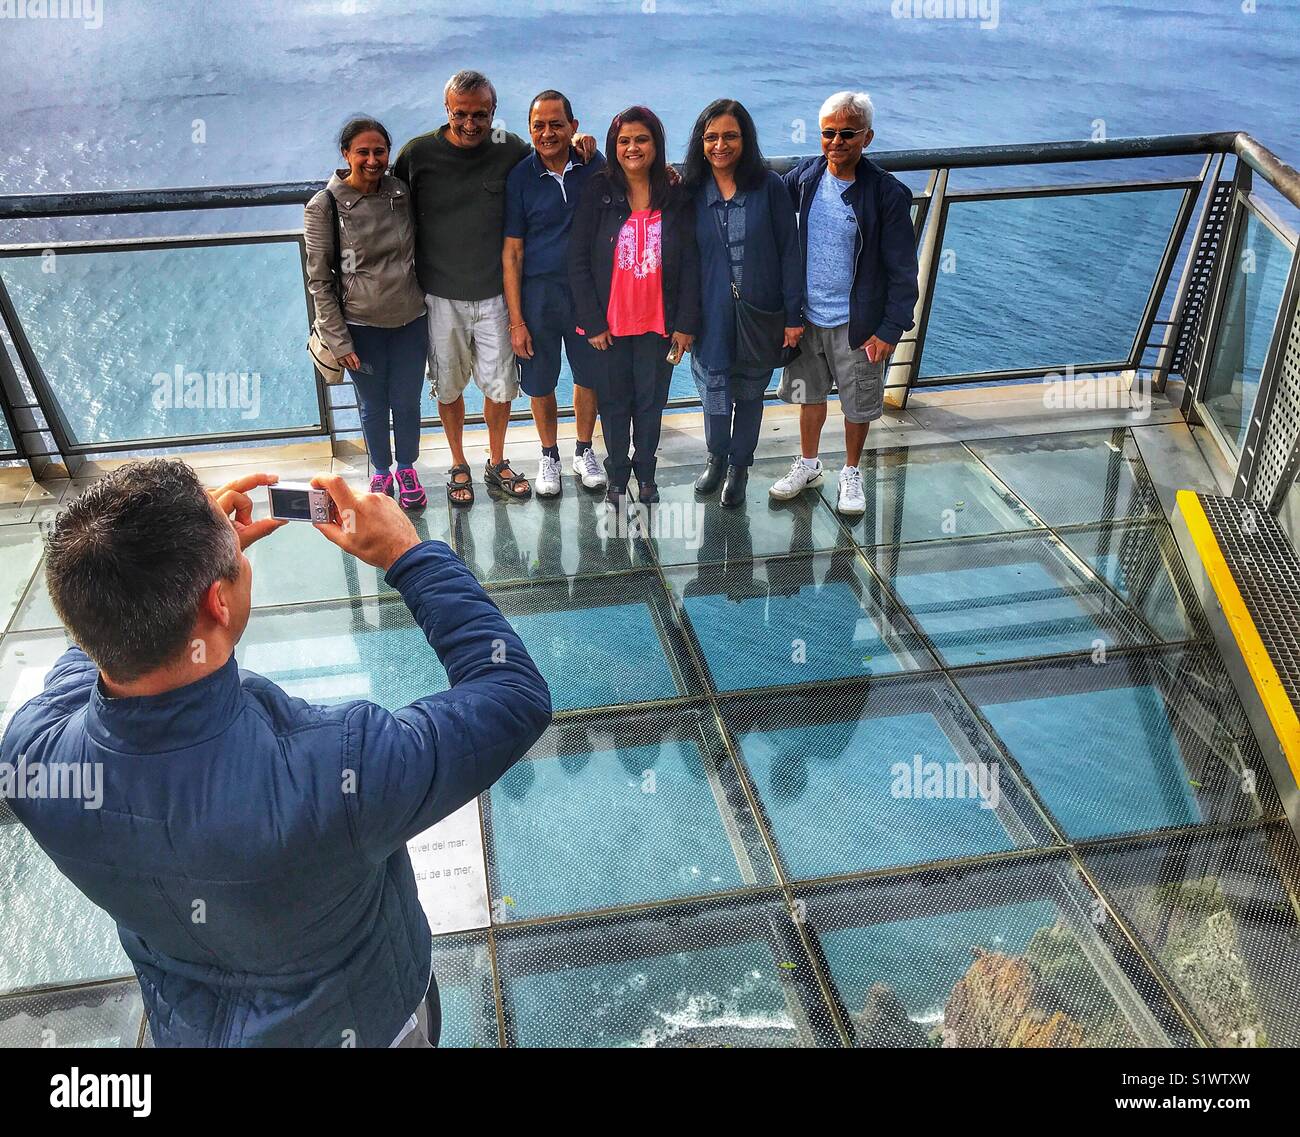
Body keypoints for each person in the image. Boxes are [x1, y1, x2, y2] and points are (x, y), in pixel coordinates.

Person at [1, 461, 551, 1047]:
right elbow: (511, 695)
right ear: (217, 603)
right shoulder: (339, 768)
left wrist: (157, 567)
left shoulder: (33, 757)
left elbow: (102, 636)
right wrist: (407, 554)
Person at [395, 71, 595, 507]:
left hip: (495, 295)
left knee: (500, 387)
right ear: (446, 110)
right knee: (448, 387)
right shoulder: (418, 155)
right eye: (460, 114)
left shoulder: (511, 150)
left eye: (480, 114)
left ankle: (497, 460)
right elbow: (386, 201)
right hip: (439, 294)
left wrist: (581, 145)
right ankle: (457, 464)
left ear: (493, 113)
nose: (470, 123)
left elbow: (550, 150)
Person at [768, 91, 920, 516]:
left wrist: (889, 330)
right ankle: (810, 464)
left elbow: (904, 272)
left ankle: (851, 472)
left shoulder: (887, 195)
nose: (837, 141)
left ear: (867, 137)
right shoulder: (806, 177)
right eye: (829, 133)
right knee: (809, 395)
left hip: (859, 324)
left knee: (859, 405)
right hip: (807, 318)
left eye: (847, 133)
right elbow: (763, 196)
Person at [569, 106, 700, 506]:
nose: (632, 147)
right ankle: (616, 476)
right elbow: (576, 259)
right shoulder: (598, 190)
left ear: (656, 144)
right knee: (613, 405)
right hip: (609, 325)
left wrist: (685, 323)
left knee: (650, 405)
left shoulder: (674, 192)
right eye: (623, 141)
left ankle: (646, 475)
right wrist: (592, 323)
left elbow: (692, 260)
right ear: (613, 145)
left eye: (641, 139)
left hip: (660, 325)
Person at [683, 99, 802, 508]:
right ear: (700, 143)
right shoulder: (691, 191)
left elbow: (790, 251)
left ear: (745, 139)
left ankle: (740, 467)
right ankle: (716, 456)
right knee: (714, 390)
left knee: (750, 395)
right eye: (712, 136)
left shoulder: (769, 187)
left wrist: (792, 315)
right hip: (709, 315)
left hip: (760, 314)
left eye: (730, 136)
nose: (720, 144)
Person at [305, 117, 429, 509]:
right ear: (346, 154)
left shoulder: (399, 192)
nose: (373, 160)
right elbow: (320, 281)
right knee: (373, 405)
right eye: (363, 152)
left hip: (411, 320)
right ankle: (380, 469)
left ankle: (407, 467)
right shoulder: (324, 206)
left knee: (408, 400)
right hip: (361, 328)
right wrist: (339, 341)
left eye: (380, 151)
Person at [503, 89, 608, 498]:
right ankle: (549, 454)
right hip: (538, 296)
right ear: (529, 130)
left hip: (586, 294)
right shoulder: (520, 178)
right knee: (540, 381)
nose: (547, 133)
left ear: (574, 127)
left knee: (589, 374)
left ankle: (584, 450)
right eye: (538, 126)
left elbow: (634, 179)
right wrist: (517, 320)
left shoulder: (593, 164)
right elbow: (511, 253)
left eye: (556, 124)